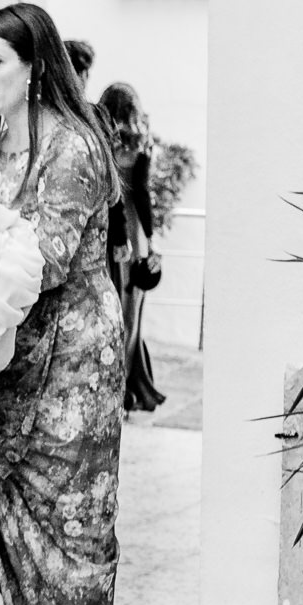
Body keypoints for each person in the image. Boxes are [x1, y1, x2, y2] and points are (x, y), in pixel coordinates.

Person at [0, 3, 124, 605]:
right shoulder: (5, 140)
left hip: (74, 356)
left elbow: (49, 256)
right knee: (8, 519)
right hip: (11, 357)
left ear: (34, 65)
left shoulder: (74, 143)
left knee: (72, 519)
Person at [96, 82, 167, 412]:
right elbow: (140, 191)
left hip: (107, 229)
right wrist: (150, 239)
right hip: (133, 232)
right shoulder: (141, 141)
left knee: (107, 311)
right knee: (130, 311)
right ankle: (124, 389)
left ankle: (113, 386)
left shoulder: (101, 138)